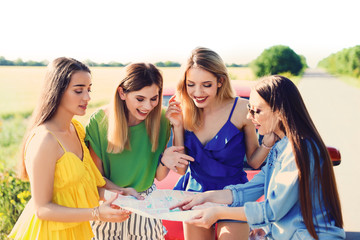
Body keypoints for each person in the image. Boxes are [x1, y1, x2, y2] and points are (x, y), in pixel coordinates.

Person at [171, 75, 345, 239]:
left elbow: (272, 210)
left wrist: (218, 212)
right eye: (249, 109)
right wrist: (206, 197)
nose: (249, 117)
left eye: (256, 111)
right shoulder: (280, 148)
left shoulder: (299, 149)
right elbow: (248, 190)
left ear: (279, 112)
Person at [9, 57, 133, 240]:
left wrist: (122, 193)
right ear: (57, 91)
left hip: (73, 232)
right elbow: (42, 209)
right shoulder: (45, 140)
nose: (87, 97)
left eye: (89, 89)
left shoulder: (77, 129)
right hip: (46, 234)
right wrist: (97, 213)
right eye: (78, 90)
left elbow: (88, 184)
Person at [165, 47, 276, 240]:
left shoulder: (241, 108)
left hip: (234, 194)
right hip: (194, 193)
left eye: (206, 85)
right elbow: (181, 170)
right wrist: (176, 126)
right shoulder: (182, 110)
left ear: (220, 81)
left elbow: (254, 162)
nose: (197, 92)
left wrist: (267, 143)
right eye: (191, 84)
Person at [85, 62, 194, 239]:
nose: (148, 106)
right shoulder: (99, 121)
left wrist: (178, 127)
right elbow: (97, 178)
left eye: (154, 98)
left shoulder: (163, 120)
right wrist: (123, 192)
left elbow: (171, 172)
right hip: (109, 205)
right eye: (140, 99)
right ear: (122, 93)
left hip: (146, 207)